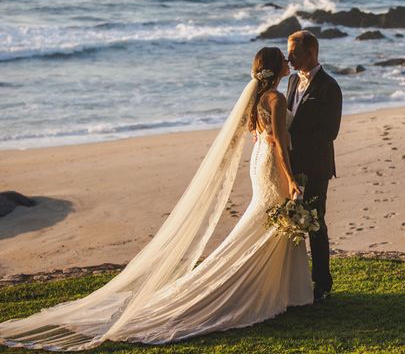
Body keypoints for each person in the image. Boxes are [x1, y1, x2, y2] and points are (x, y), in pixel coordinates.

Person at [0, 47, 313, 351]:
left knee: (264, 222)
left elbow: (264, 137)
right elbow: (281, 145)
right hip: (273, 165)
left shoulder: (258, 97)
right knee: (266, 223)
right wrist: (289, 180)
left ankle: (279, 290)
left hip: (258, 163)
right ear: (274, 67)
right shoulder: (276, 97)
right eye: (283, 58)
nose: (288, 61)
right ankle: (251, 290)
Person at [286, 30, 343, 302]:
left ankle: (322, 283)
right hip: (290, 166)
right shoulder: (291, 81)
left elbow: (330, 131)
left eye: (294, 53)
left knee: (316, 223)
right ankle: (293, 281)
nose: (289, 58)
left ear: (311, 53)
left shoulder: (330, 87)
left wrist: (295, 139)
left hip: (317, 167)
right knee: (290, 222)